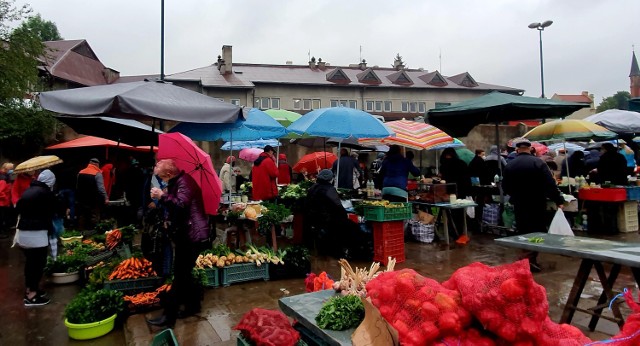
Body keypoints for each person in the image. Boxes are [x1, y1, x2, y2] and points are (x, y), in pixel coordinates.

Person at [147, 159, 211, 327]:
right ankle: (193, 305)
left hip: (193, 236)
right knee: (185, 273)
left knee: (180, 275)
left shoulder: (185, 182)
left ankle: (169, 316)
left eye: (159, 172)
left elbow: (181, 204)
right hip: (186, 234)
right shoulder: (176, 182)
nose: (159, 178)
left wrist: (163, 196)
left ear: (168, 174)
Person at [502, 138, 564, 273]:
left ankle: (526, 258)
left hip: (519, 203)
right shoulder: (538, 163)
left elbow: (505, 186)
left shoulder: (510, 165)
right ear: (530, 149)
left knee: (523, 230)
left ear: (517, 150)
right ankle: (531, 259)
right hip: (537, 202)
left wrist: (514, 194)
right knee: (537, 231)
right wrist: (559, 200)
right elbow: (550, 184)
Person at [14, 169, 57, 306]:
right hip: (37, 234)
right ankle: (32, 296)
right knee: (38, 264)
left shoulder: (29, 190)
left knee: (30, 263)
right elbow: (54, 210)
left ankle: (30, 290)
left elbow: (19, 208)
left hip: (24, 232)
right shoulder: (45, 193)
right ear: (50, 181)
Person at [303, 169, 361, 258]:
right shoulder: (330, 189)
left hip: (313, 218)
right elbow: (338, 207)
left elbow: (307, 204)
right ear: (330, 179)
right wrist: (345, 216)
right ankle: (344, 252)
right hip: (327, 219)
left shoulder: (312, 188)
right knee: (353, 227)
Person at [76, 158, 108, 230]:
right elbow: (101, 188)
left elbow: (77, 186)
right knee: (94, 216)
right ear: (97, 164)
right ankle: (94, 232)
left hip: (82, 199)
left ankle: (81, 232)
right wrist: (106, 197)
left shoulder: (80, 172)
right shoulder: (97, 173)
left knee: (82, 215)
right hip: (93, 199)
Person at [0, 162, 13, 238]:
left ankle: (3, 230)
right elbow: (0, 192)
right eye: (11, 169)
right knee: (1, 218)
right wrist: (6, 197)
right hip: (2, 203)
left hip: (4, 202)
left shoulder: (5, 177)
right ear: (6, 169)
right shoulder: (3, 179)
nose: (12, 171)